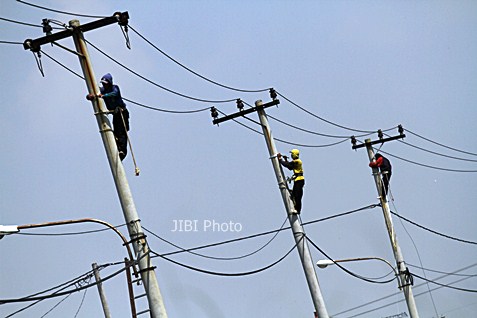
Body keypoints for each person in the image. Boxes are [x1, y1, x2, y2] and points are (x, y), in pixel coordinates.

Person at [87, 73, 129, 161]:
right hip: (115, 113)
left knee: (121, 132)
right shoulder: (102, 90)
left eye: (105, 83)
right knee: (116, 131)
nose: (103, 85)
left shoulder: (115, 88)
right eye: (103, 83)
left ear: (109, 83)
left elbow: (114, 94)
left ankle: (122, 151)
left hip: (122, 112)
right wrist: (90, 96)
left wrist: (103, 96)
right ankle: (117, 147)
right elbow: (96, 93)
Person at [277, 149, 305, 214]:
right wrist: (285, 160)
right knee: (294, 194)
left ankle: (297, 210)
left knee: (298, 195)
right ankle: (295, 207)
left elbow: (288, 165)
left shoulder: (297, 161)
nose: (291, 155)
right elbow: (290, 167)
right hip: (297, 180)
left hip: (299, 180)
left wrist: (280, 159)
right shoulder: (295, 161)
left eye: (292, 154)